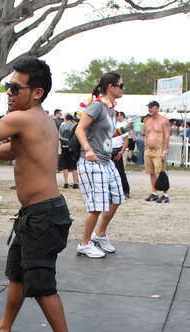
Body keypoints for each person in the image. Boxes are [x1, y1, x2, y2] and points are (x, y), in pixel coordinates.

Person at [0, 58, 78, 332]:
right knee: (17, 273)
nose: (9, 93)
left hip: (44, 215)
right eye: (8, 87)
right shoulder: (39, 120)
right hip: (36, 213)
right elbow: (19, 150)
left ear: (38, 92)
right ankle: (4, 327)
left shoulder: (25, 118)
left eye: (16, 88)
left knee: (41, 283)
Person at [74, 72, 126, 258]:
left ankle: (100, 235)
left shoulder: (111, 110)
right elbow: (80, 128)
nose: (123, 89)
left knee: (117, 198)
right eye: (121, 85)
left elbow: (106, 135)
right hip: (91, 161)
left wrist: (126, 128)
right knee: (96, 206)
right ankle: (84, 243)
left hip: (106, 161)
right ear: (110, 87)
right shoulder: (97, 106)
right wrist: (88, 149)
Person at [143, 101, 171, 203]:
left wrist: (165, 151)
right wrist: (146, 144)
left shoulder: (164, 121)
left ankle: (165, 194)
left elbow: (167, 136)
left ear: (157, 108)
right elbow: (145, 134)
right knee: (151, 172)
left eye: (151, 107)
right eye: (148, 107)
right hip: (149, 150)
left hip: (159, 150)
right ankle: (154, 193)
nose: (149, 109)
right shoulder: (148, 120)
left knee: (161, 172)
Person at [58, 113, 79, 189]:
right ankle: (75, 183)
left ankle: (66, 183)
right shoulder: (75, 125)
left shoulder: (62, 126)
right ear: (72, 119)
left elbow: (59, 136)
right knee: (74, 166)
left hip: (64, 147)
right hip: (73, 147)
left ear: (65, 119)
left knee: (65, 165)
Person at [112, 110, 130, 198]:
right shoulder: (106, 126)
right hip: (107, 150)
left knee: (120, 172)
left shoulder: (121, 126)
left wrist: (121, 151)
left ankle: (125, 191)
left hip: (117, 149)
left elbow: (126, 141)